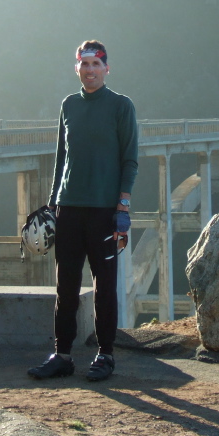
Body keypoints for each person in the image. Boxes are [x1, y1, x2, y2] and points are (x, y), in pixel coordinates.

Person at [27, 40, 138, 382]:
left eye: (96, 64)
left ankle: (105, 355)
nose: (90, 70)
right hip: (68, 208)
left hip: (104, 210)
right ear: (77, 68)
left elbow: (129, 158)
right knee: (66, 286)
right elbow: (62, 157)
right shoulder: (69, 105)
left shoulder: (121, 106)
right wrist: (51, 202)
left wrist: (123, 204)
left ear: (106, 69)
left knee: (104, 285)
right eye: (84, 64)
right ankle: (62, 355)